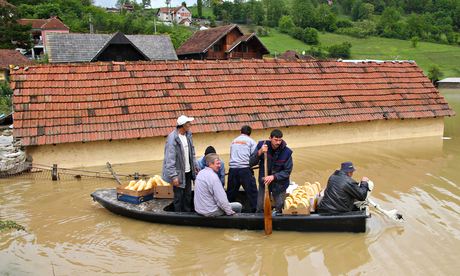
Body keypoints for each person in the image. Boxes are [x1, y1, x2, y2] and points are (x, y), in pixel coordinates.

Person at [250, 129, 293, 213]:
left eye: (280, 140)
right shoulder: (261, 145)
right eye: (275, 140)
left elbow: (287, 171)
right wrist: (260, 152)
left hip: (279, 184)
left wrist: (274, 177)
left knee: (280, 207)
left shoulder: (287, 152)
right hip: (264, 182)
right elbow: (251, 162)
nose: (278, 142)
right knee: (260, 207)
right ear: (270, 138)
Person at [162, 115, 198, 212]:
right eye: (188, 123)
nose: (190, 125)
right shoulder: (172, 138)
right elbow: (170, 159)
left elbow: (192, 152)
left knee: (188, 194)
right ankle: (178, 214)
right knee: (178, 196)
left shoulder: (188, 135)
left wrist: (195, 165)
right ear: (183, 125)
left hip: (188, 171)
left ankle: (187, 213)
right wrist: (174, 176)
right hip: (178, 173)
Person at [227, 125, 258, 212]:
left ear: (241, 132)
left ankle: (227, 210)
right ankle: (256, 211)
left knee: (231, 193)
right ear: (250, 133)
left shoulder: (233, 141)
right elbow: (254, 157)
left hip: (232, 169)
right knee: (252, 192)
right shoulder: (251, 142)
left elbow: (231, 155)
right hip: (245, 169)